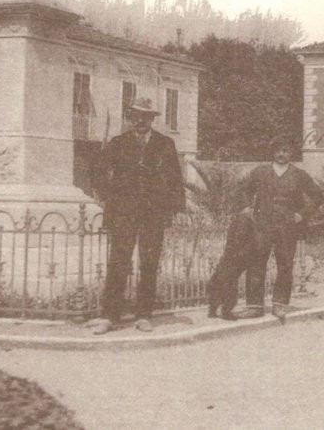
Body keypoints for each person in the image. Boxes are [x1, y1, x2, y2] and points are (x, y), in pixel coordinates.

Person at [91, 97, 185, 334]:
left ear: (152, 119)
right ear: (130, 117)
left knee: (149, 263)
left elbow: (175, 179)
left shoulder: (165, 144)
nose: (140, 120)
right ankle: (110, 316)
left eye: (145, 116)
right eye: (136, 116)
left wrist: (174, 210)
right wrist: (108, 195)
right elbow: (97, 171)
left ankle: (144, 315)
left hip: (153, 213)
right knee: (118, 263)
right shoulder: (118, 143)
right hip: (123, 212)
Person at [237, 138, 324, 321]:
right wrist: (247, 209)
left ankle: (280, 304)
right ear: (273, 152)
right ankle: (254, 306)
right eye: (278, 150)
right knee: (256, 263)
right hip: (261, 224)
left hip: (287, 227)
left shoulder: (298, 174)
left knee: (285, 265)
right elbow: (245, 190)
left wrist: (302, 214)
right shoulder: (260, 172)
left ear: (291, 153)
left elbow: (317, 196)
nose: (281, 154)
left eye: (285, 150)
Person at [206, 209, 259, 321]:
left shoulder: (237, 219)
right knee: (229, 283)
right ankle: (226, 311)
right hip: (236, 256)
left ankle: (213, 309)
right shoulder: (244, 219)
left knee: (219, 280)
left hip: (229, 256)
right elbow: (242, 237)